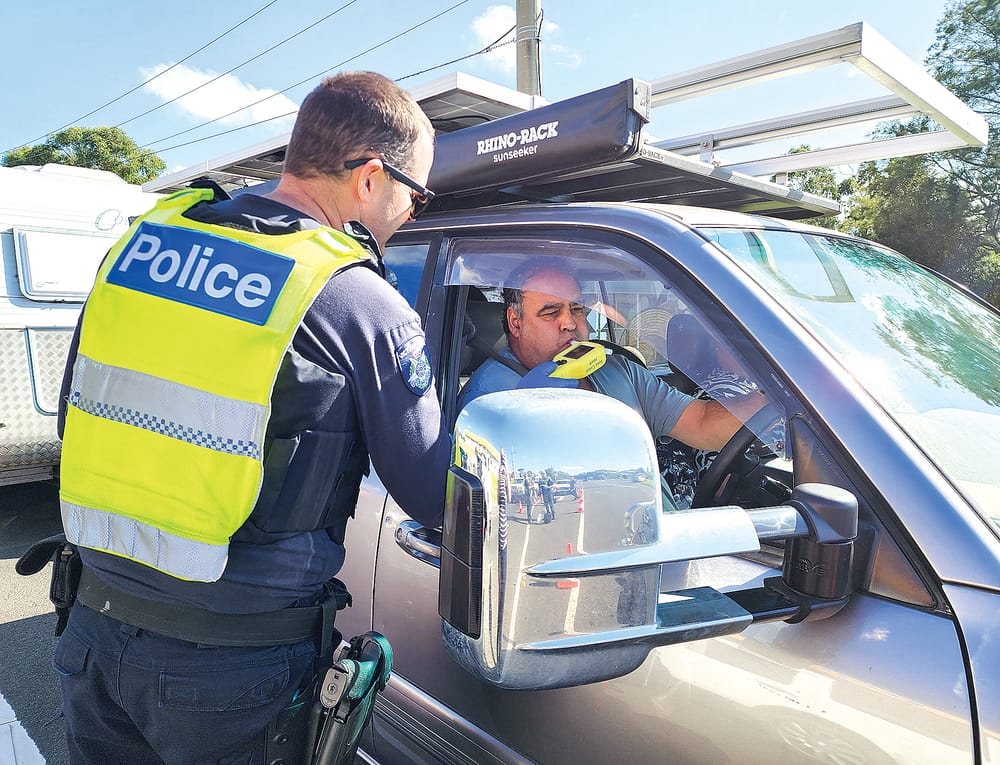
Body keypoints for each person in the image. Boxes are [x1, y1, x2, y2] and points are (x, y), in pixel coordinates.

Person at [52, 71, 452, 765]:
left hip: (94, 629)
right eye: (416, 194)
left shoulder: (140, 247)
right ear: (369, 178)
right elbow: (431, 490)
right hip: (232, 670)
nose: (411, 214)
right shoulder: (355, 299)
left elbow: (77, 412)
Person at [458, 262, 765, 485]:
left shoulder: (618, 370)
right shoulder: (489, 398)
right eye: (551, 312)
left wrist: (774, 397)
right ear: (515, 322)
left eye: (577, 309)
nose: (569, 323)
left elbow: (702, 424)